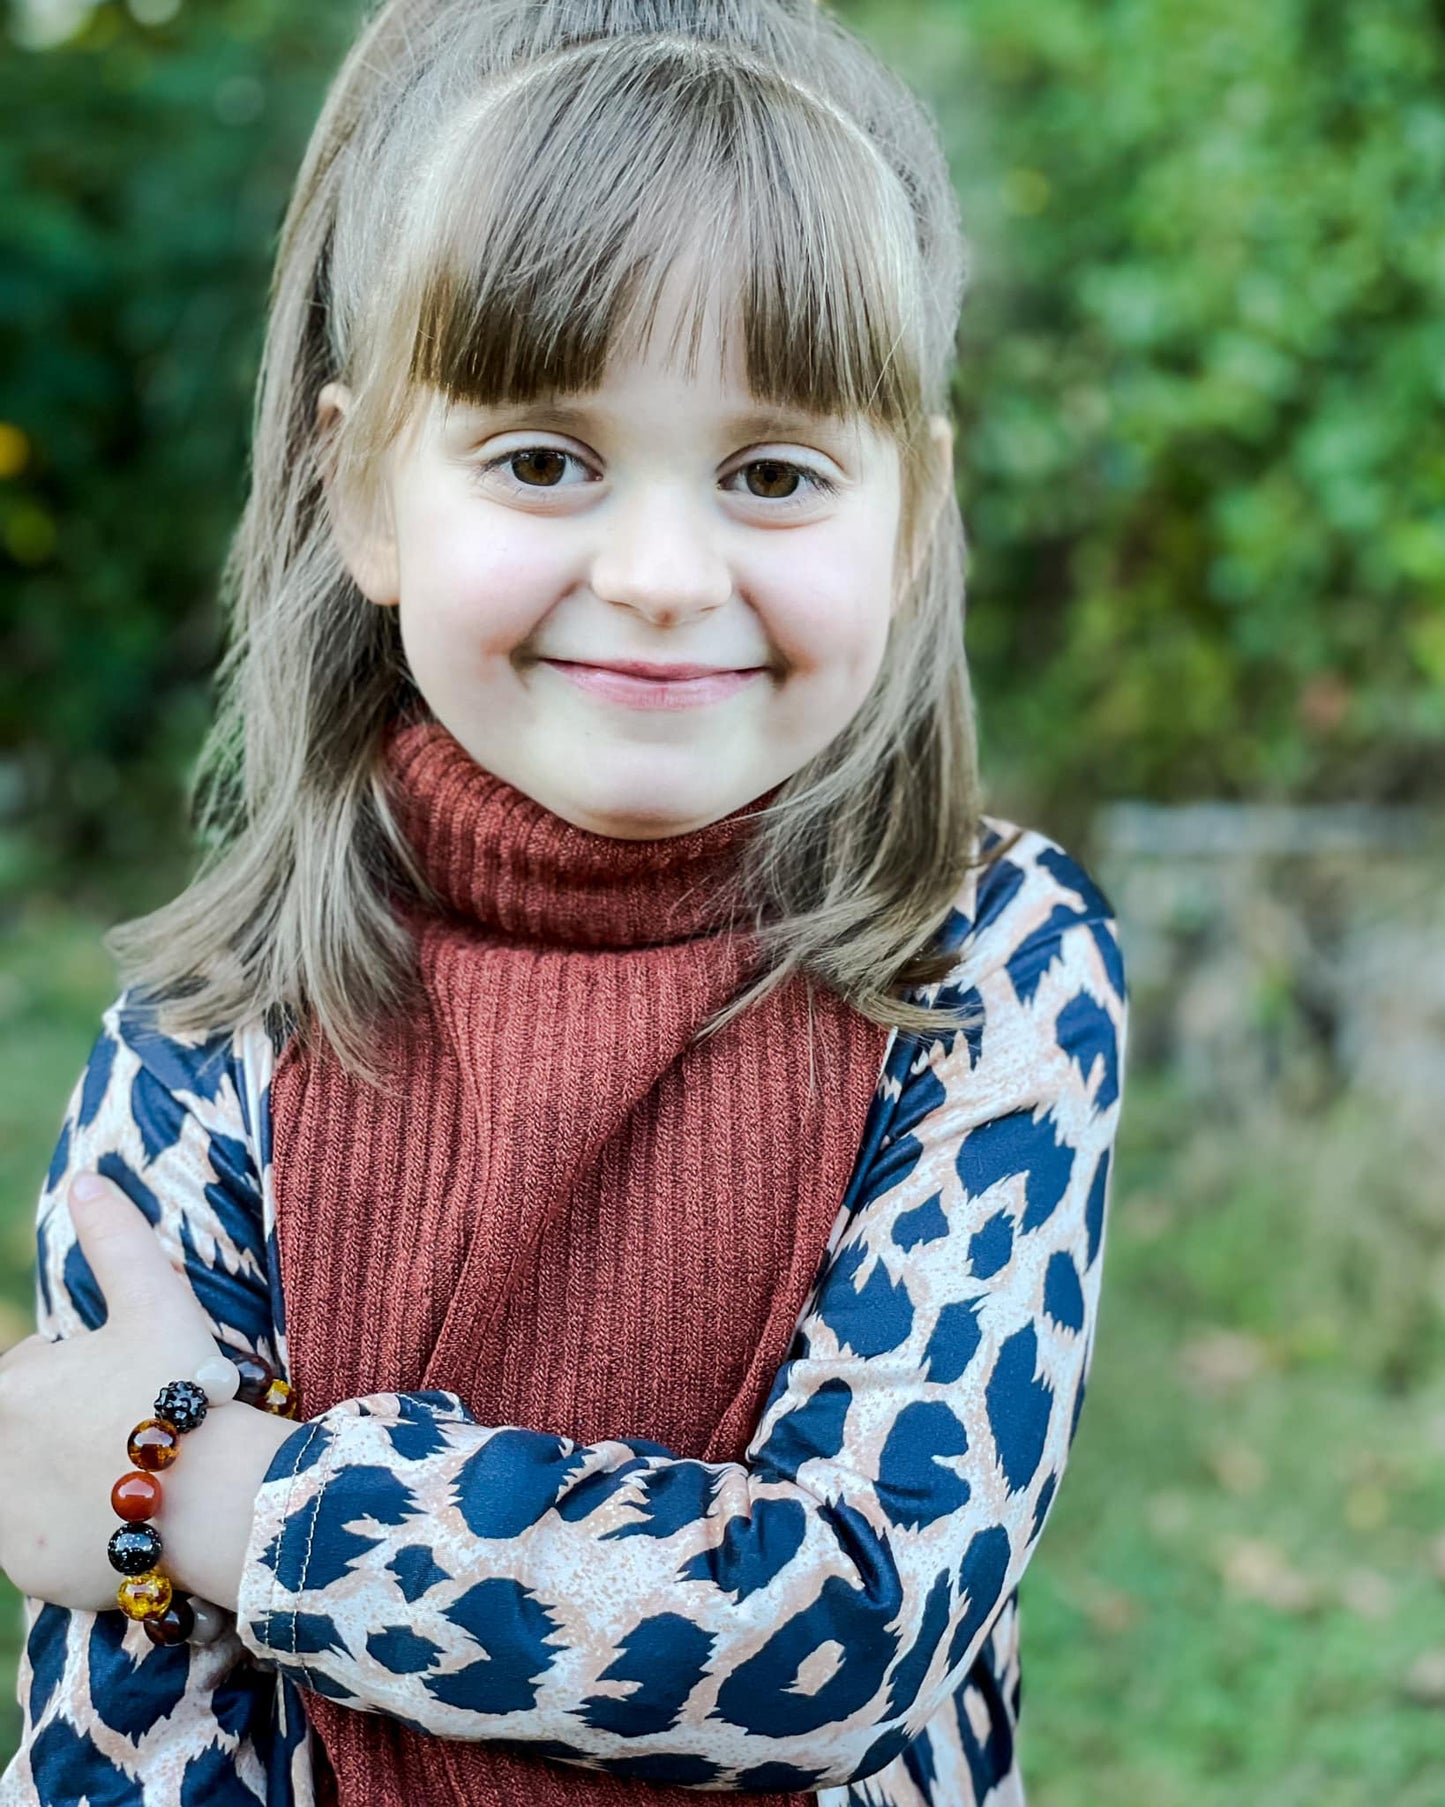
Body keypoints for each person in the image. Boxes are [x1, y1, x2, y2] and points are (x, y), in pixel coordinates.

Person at [0, 2, 1128, 1803]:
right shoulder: (213, 1028)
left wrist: (222, 1495)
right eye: (543, 457)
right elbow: (136, 1710)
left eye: (772, 473)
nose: (665, 575)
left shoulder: (985, 961)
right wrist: (155, 1519)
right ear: (363, 490)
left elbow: (847, 1630)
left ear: (907, 518)